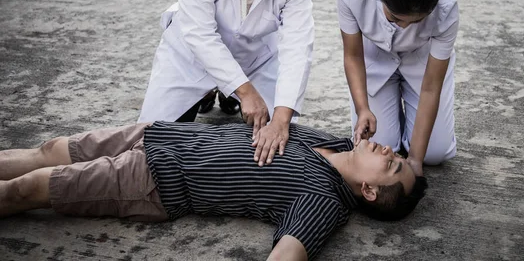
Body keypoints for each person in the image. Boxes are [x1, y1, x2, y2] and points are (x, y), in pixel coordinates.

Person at [0, 121, 427, 260]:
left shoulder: (323, 200)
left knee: (28, 189)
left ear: (369, 190)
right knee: (50, 149)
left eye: (390, 163)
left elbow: (288, 255)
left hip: (152, 181)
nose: (388, 150)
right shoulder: (335, 142)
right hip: (163, 134)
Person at [139, 0, 314, 166]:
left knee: (279, 149)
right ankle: (213, 91)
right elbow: (200, 34)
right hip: (190, 57)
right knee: (150, 146)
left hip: (255, 58)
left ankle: (225, 89)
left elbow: (297, 47)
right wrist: (245, 92)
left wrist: (281, 119)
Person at [337, 0, 459, 177]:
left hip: (421, 62)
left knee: (434, 154)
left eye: (415, 22)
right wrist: (363, 109)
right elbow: (352, 55)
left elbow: (431, 88)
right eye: (394, 18)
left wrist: (415, 160)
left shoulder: (447, 9)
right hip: (374, 56)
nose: (404, 27)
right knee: (383, 147)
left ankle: (412, 132)